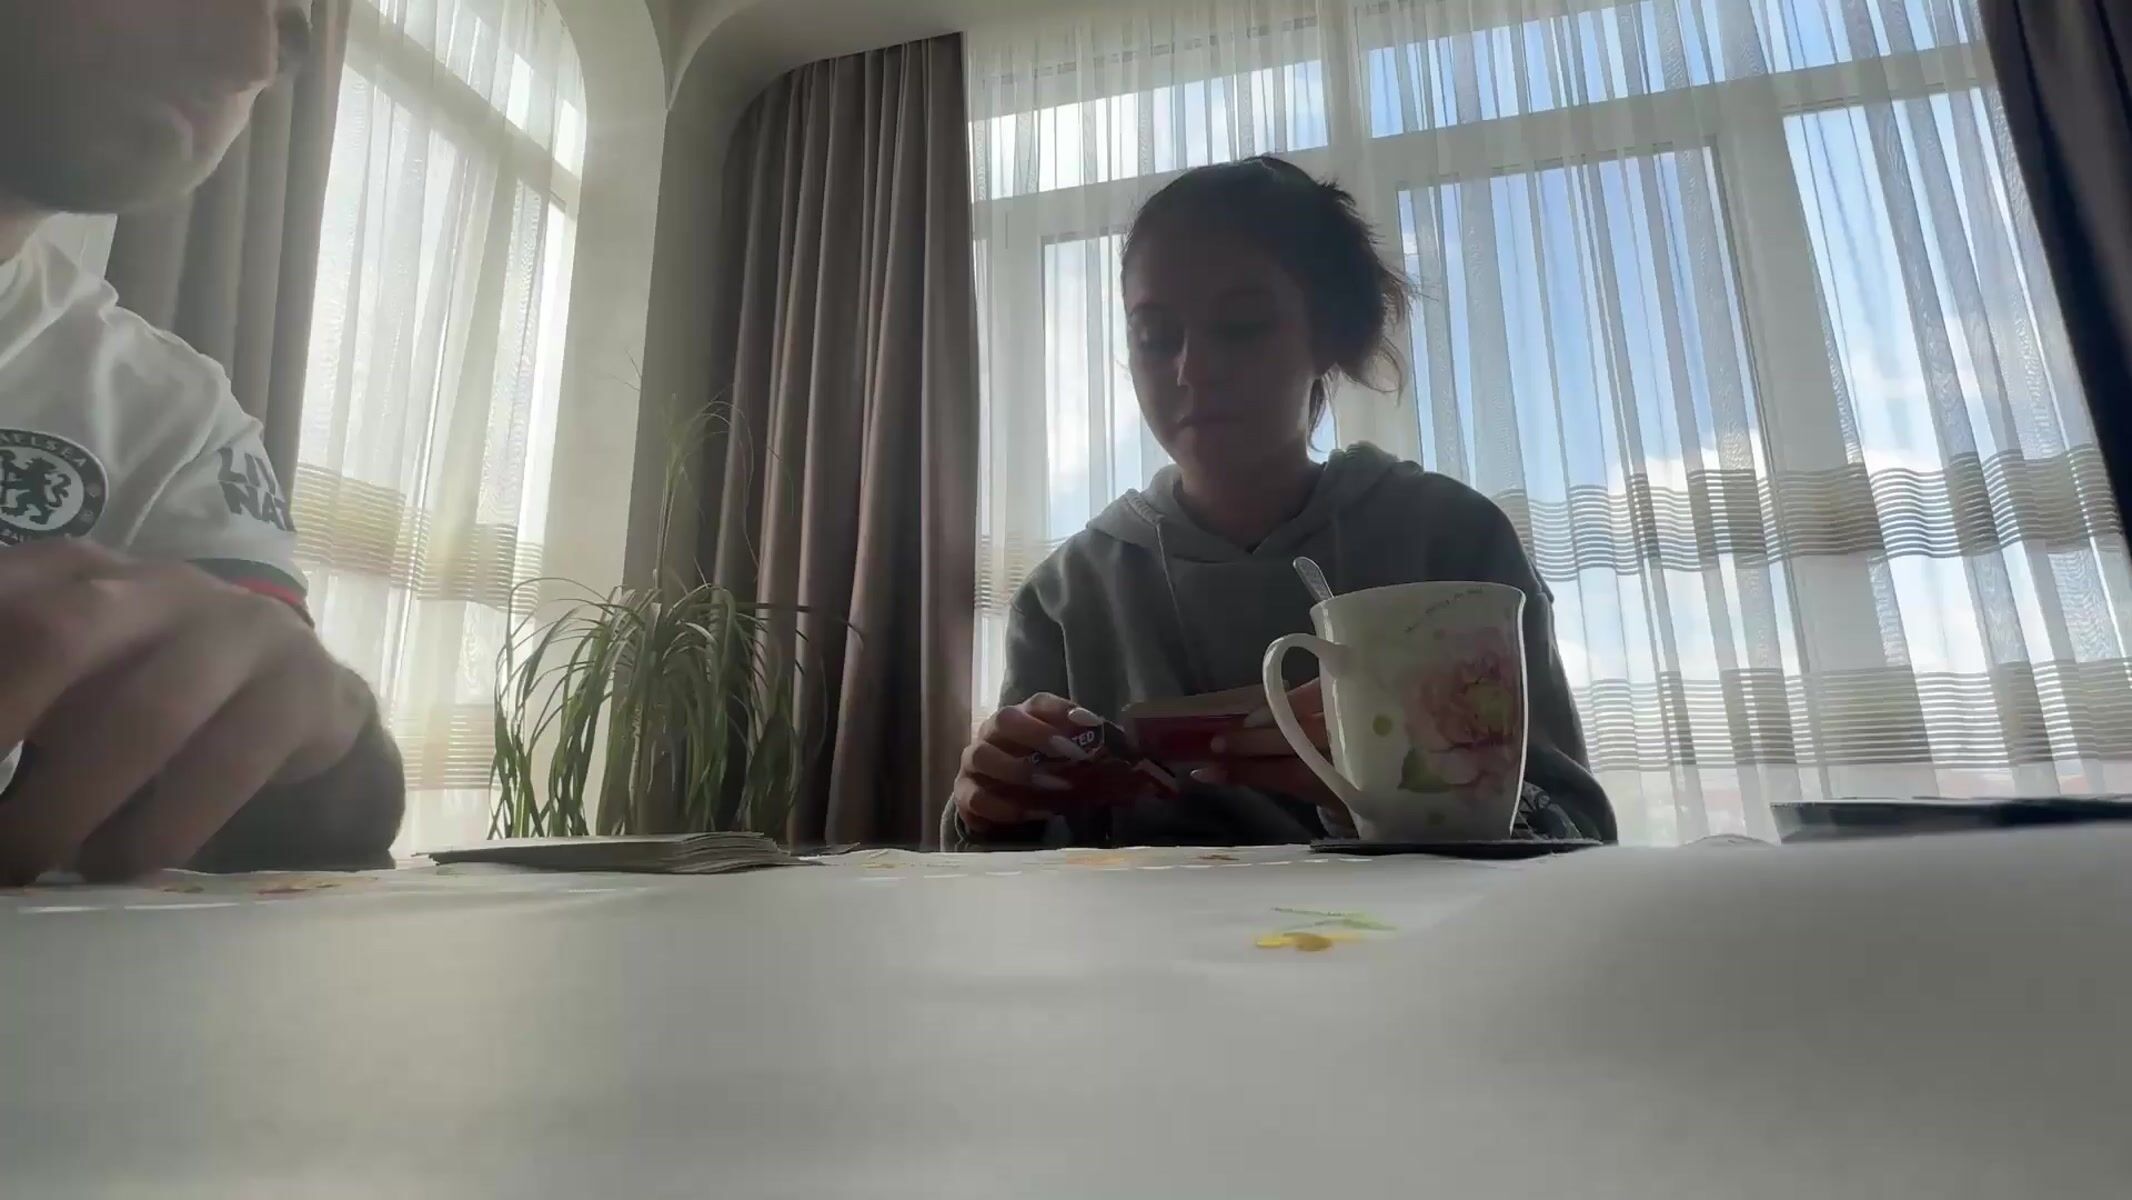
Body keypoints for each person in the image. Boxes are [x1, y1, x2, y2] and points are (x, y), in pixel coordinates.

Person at [946, 156, 1614, 850]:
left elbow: (1578, 836)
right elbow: (1012, 860)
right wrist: (989, 807)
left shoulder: (1454, 542)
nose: (1192, 369)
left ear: (1328, 336)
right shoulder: (1065, 596)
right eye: (1154, 337)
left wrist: (1397, 782)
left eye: (1240, 326)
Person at [0, 0, 405, 883]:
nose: (250, 58)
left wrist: (324, 723)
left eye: (289, 34)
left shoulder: (172, 412)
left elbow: (302, 791)